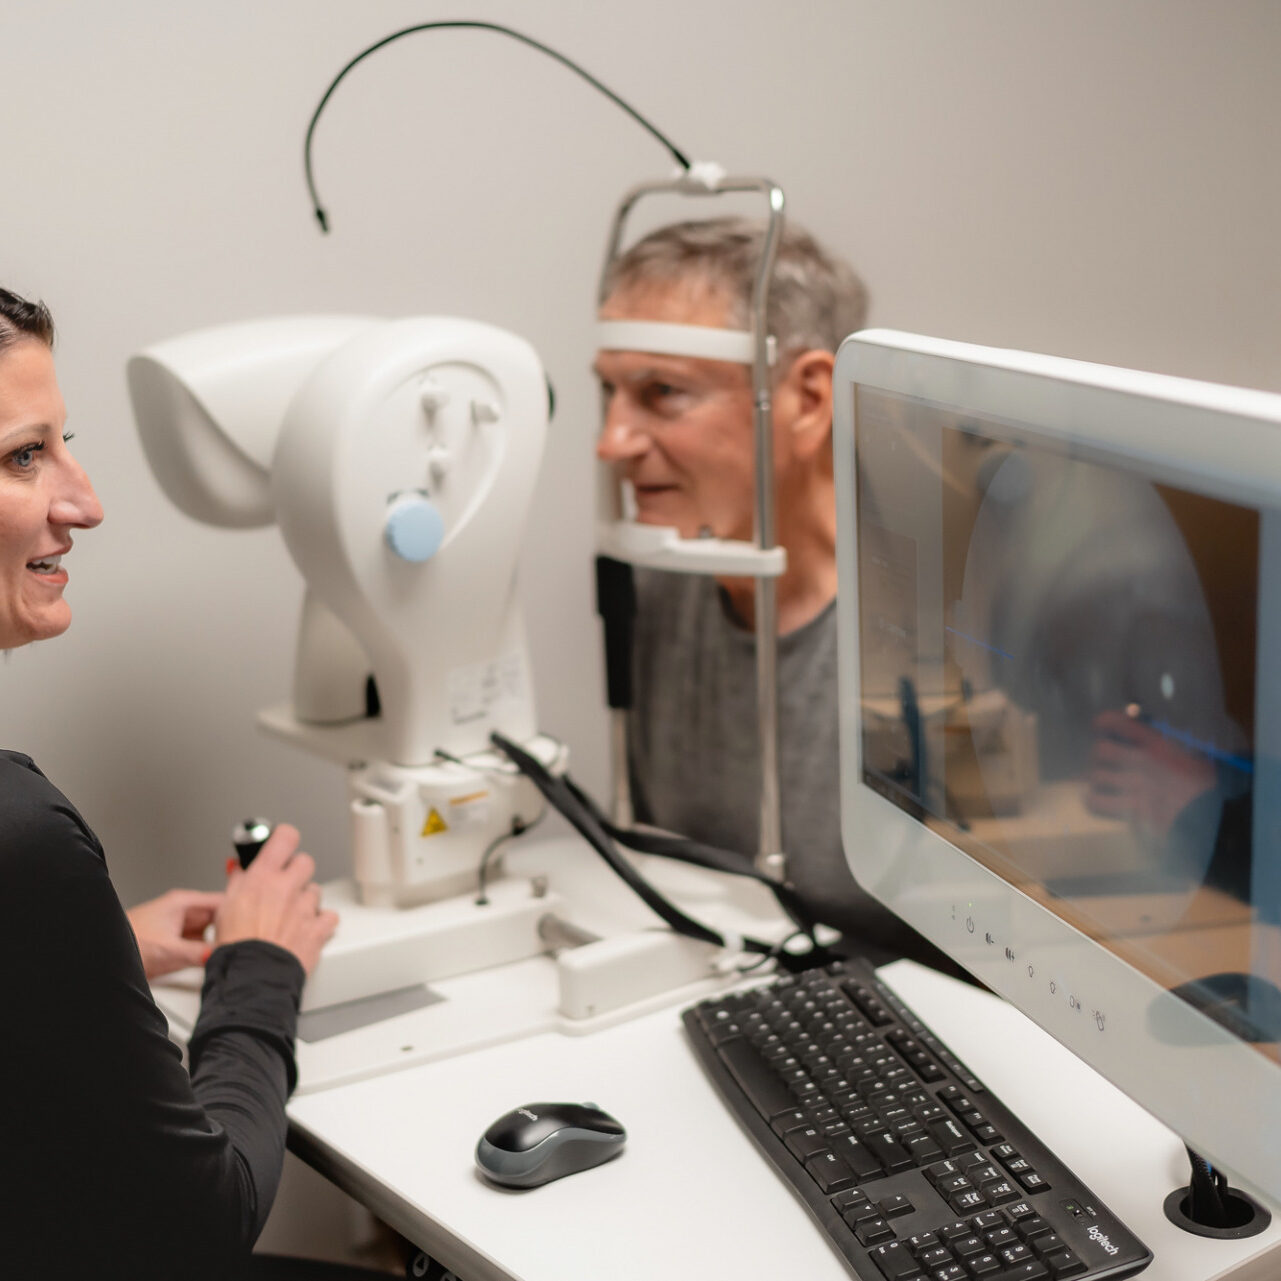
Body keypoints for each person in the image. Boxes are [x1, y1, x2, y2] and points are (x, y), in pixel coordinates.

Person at [0, 287, 395, 1279]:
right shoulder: (21, 838)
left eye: (62, 445)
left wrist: (90, 956)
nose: (83, 502)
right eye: (21, 456)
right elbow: (199, 1226)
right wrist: (257, 972)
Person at [593, 217, 960, 971]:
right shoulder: (667, 582)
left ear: (806, 397)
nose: (612, 441)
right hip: (737, 999)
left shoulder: (946, 636)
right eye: (609, 392)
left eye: (662, 393)